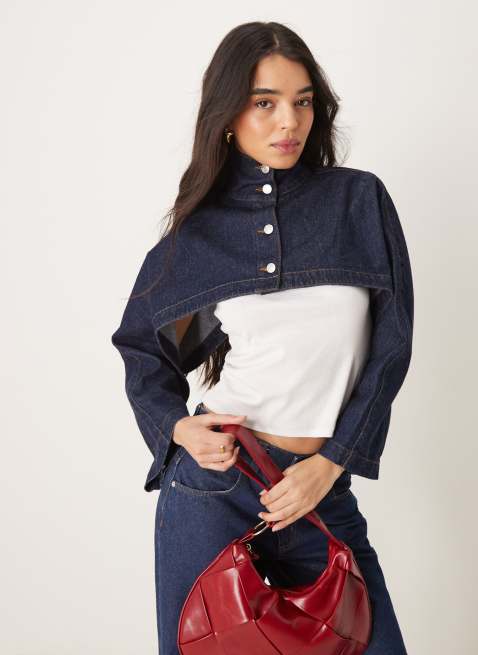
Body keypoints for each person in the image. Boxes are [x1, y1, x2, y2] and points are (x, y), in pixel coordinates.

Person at [111, 21, 414, 655]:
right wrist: (177, 427)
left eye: (302, 101)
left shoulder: (357, 202)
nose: (289, 122)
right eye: (265, 102)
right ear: (228, 115)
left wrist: (330, 464)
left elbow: (392, 346)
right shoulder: (200, 237)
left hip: (318, 487)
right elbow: (146, 348)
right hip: (215, 486)